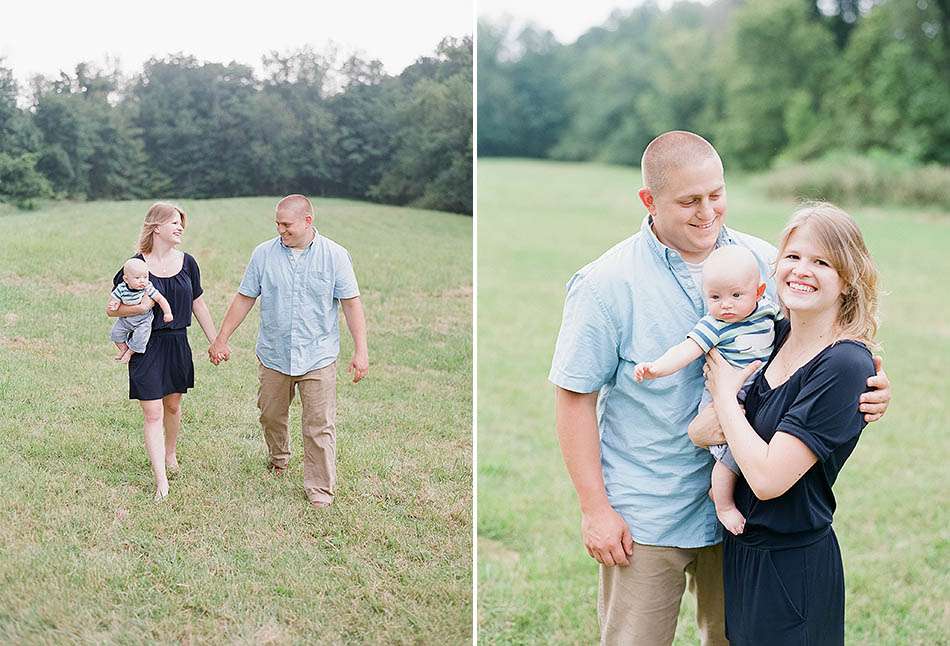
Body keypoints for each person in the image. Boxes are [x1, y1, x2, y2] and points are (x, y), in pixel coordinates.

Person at [548, 131, 891, 646]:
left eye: (716, 194)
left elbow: (818, 347)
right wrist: (595, 509)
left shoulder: (767, 264)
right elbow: (574, 397)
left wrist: (873, 387)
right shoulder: (605, 284)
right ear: (649, 201)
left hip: (741, 523)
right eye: (689, 201)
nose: (707, 212)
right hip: (648, 514)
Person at [704, 203, 878, 644]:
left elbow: (766, 478)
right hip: (744, 553)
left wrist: (725, 397)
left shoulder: (844, 363)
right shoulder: (773, 335)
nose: (802, 270)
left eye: (822, 262)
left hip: (792, 566)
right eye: (794, 257)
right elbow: (702, 432)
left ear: (848, 279)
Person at [209, 194, 368, 509]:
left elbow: (351, 303)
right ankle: (279, 457)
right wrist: (221, 338)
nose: (280, 230)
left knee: (319, 424)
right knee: (270, 415)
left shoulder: (335, 256)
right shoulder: (263, 254)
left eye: (286, 224)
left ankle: (320, 490)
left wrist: (361, 351)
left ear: (308, 221)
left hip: (318, 355)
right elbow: (244, 298)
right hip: (274, 353)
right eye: (277, 224)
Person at [633, 244, 781, 536]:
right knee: (731, 456)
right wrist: (657, 368)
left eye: (736, 295)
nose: (726, 305)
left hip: (753, 399)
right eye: (715, 297)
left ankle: (729, 492)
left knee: (755, 450)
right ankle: (723, 502)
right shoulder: (715, 326)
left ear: (759, 291)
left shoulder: (767, 312)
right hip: (718, 404)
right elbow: (685, 350)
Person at [107, 203, 219, 501]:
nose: (180, 227)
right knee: (153, 412)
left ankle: (170, 453)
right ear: (156, 227)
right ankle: (161, 480)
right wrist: (142, 307)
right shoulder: (134, 266)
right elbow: (113, 308)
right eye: (174, 222)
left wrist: (216, 341)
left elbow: (199, 304)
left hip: (178, 342)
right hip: (146, 345)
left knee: (172, 406)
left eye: (181, 223)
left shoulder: (189, 263)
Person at [109, 258, 174, 363]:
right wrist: (114, 304)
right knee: (115, 333)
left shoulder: (147, 288)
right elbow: (115, 300)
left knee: (140, 338)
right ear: (126, 279)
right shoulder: (121, 288)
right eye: (137, 278)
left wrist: (167, 313)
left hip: (143, 321)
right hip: (125, 319)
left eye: (145, 277)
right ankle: (123, 348)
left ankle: (129, 353)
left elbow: (160, 299)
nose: (142, 280)